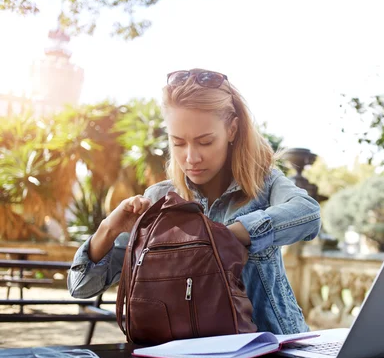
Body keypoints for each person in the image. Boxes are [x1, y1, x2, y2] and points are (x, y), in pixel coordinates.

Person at [68, 69, 321, 334]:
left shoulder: (265, 184)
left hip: (275, 351)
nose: (191, 158)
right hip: (184, 356)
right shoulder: (157, 200)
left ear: (232, 130)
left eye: (205, 142)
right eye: (178, 143)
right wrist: (109, 228)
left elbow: (308, 214)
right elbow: (81, 286)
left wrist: (224, 237)